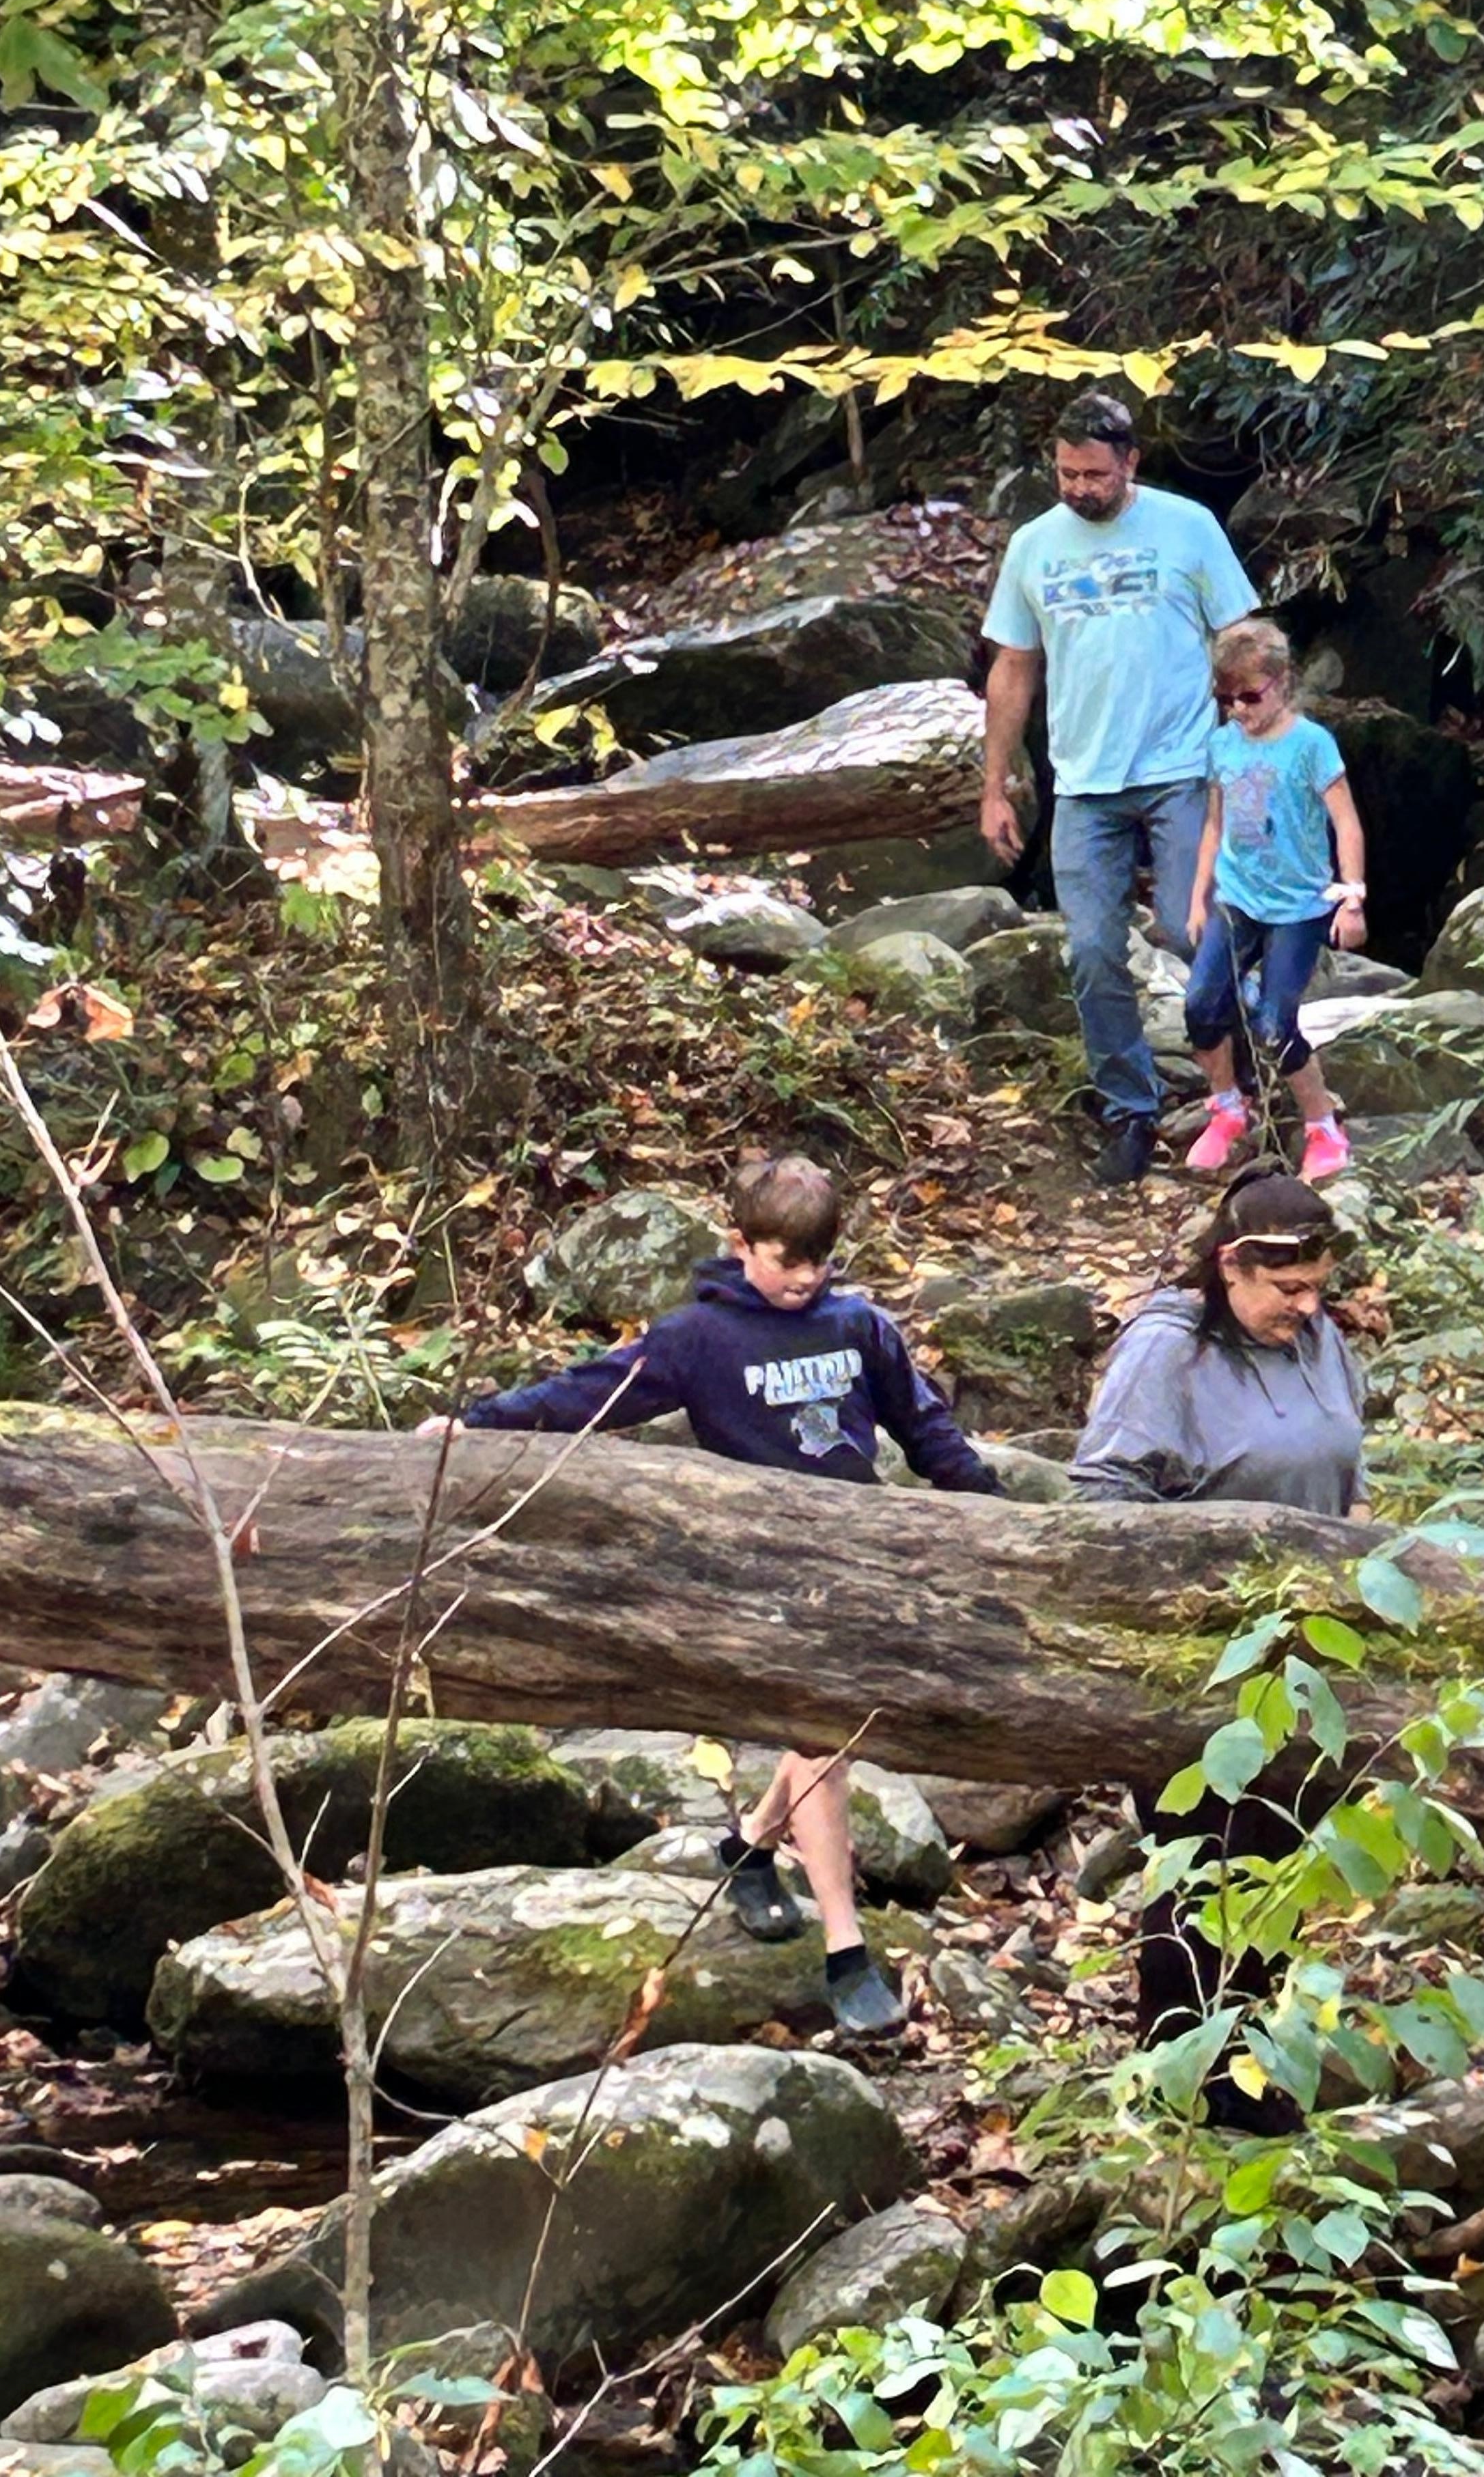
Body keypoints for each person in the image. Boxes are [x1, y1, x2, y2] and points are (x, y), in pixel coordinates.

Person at [419, 1155, 1001, 2034]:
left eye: (819, 1262)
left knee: (832, 1735)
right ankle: (846, 1950)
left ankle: (746, 1852)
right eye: (785, 1261)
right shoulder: (698, 1337)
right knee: (825, 1740)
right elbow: (591, 1393)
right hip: (758, 1574)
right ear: (741, 1246)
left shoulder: (859, 1325)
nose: (804, 1280)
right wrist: (479, 1422)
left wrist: (994, 1516)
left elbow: (923, 1429)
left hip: (858, 1559)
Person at [1069, 1164, 1371, 2099]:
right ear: (1229, 1266)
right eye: (1286, 1289)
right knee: (1201, 1869)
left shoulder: (1317, 1339)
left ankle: (1250, 2069)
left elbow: (1346, 1466)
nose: (1306, 1305)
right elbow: (1102, 1497)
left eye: (1319, 1286)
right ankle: (1189, 2087)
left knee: (1275, 1867)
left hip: (1306, 1656)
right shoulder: (1169, 1354)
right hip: (1199, 1667)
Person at [979, 391, 1260, 1187]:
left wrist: (1255, 753)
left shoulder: (1187, 527)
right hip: (1084, 780)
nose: (1080, 489)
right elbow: (1013, 667)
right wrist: (996, 784)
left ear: (1130, 463)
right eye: (1067, 474)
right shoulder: (1034, 546)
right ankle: (1129, 1110)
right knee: (1095, 951)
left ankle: (1246, 1085)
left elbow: (1241, 642)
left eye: (1095, 475)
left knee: (1189, 928)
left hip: (1181, 768)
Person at [1183, 617, 1367, 1182]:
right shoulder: (1222, 745)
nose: (1239, 708)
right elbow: (1215, 826)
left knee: (1274, 1026)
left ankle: (1321, 1126)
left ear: (1281, 683)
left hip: (1298, 908)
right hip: (1238, 901)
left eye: (1250, 696)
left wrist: (1352, 899)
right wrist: (1198, 898)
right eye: (1226, 698)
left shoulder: (1311, 745)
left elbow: (1347, 824)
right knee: (1199, 1008)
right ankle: (1227, 1108)